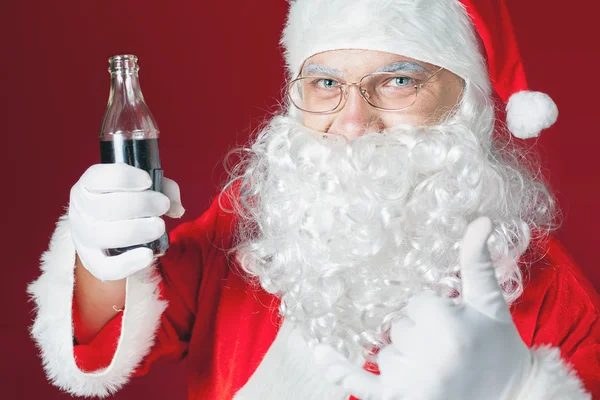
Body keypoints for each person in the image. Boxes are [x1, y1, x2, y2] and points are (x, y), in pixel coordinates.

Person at [28, 0, 600, 399]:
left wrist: (513, 391)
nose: (353, 122)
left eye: (398, 81)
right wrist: (102, 257)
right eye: (326, 83)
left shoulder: (554, 294)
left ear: (467, 102)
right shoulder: (250, 226)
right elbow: (120, 333)